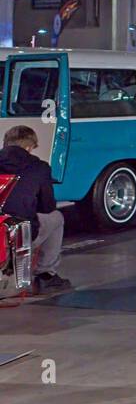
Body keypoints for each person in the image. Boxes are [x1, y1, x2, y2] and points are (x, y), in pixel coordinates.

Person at [0, 125, 68, 294]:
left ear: (6, 142)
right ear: (29, 147)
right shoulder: (40, 167)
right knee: (57, 217)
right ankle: (46, 275)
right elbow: (47, 207)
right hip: (16, 235)